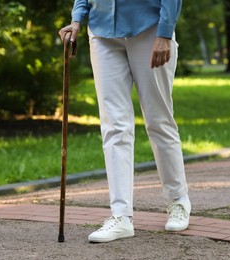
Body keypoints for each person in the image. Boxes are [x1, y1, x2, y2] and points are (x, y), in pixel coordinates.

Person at [59, 0, 191, 243]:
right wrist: (77, 19)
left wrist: (165, 32)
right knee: (114, 126)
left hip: (150, 28)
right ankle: (121, 217)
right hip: (101, 31)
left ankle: (178, 201)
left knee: (158, 120)